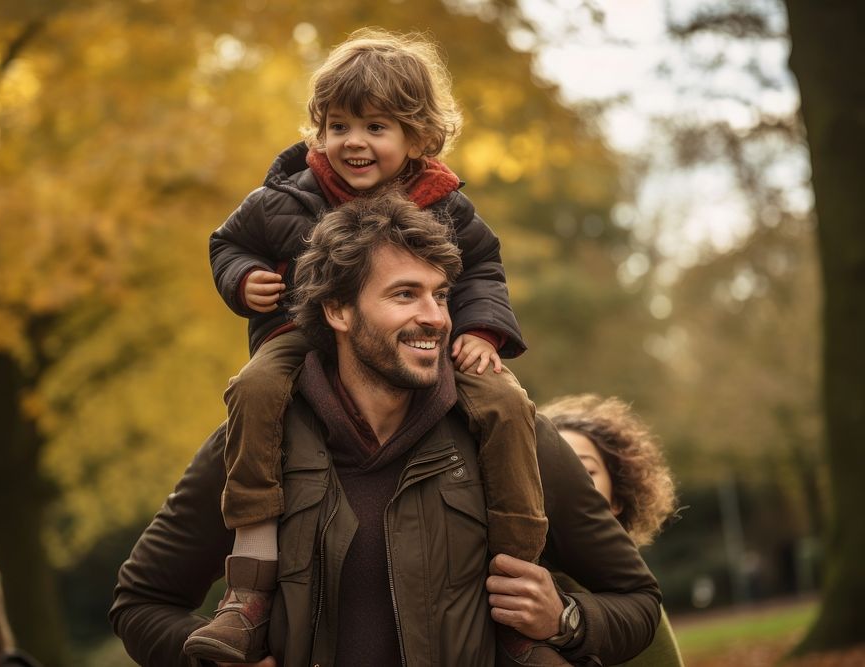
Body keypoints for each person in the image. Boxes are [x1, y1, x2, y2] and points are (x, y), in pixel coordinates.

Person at [111, 193, 662, 666]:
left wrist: (563, 617)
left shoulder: (509, 433)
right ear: (338, 311)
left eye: (440, 294)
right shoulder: (256, 439)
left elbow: (637, 601)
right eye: (405, 295)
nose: (436, 317)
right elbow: (140, 603)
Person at [196, 27, 547, 663]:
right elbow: (227, 243)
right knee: (251, 389)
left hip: (413, 351)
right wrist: (243, 279)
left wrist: (477, 330)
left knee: (505, 403)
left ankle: (519, 580)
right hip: (299, 337)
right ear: (318, 131)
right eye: (337, 125)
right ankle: (246, 594)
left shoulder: (444, 206)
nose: (353, 142)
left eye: (376, 127)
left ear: (418, 137)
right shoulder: (286, 196)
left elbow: (484, 268)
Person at [540, 394, 683, 667]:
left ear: (617, 499)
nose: (570, 486)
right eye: (551, 473)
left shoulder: (634, 603)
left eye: (585, 472)